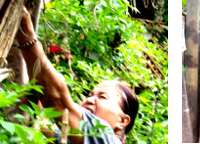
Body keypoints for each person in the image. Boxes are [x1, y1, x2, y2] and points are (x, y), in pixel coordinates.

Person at [15, 10, 139, 144]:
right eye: (90, 95)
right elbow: (45, 123)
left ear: (122, 121)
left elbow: (57, 101)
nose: (90, 100)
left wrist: (26, 35)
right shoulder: (73, 138)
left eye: (102, 97)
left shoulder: (108, 140)